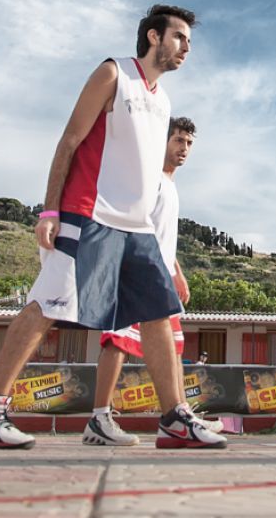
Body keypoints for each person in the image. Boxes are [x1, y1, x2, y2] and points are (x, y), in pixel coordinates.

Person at [0, 4, 224, 450]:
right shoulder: (113, 73)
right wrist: (50, 209)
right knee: (47, 305)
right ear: (154, 37)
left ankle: (174, 419)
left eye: (189, 42)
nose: (186, 48)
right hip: (89, 214)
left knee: (160, 311)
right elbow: (71, 139)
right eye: (179, 37)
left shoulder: (164, 101)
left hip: (137, 228)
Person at [83, 117, 222, 446]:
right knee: (117, 342)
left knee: (173, 349)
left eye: (188, 143)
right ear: (162, 141)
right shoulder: (149, 180)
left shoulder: (170, 185)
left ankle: (179, 414)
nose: (183, 148)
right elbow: (131, 224)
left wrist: (177, 271)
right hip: (132, 272)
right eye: (177, 140)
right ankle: (99, 417)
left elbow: (161, 237)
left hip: (159, 276)